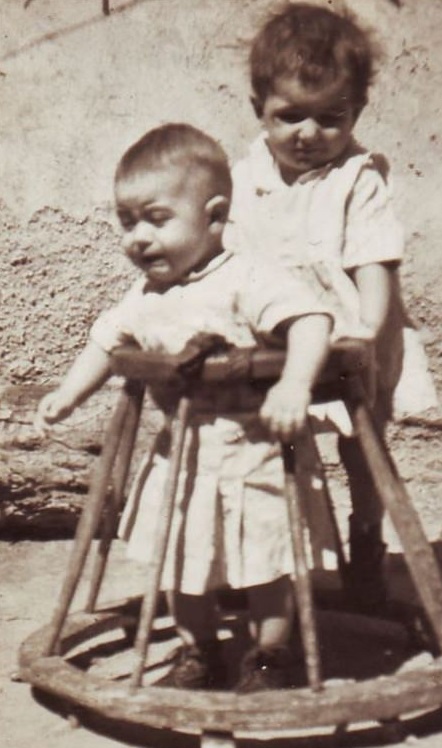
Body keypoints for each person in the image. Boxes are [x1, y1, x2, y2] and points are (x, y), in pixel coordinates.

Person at [35, 123, 334, 693]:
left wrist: (295, 384)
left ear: (215, 216)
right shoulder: (145, 297)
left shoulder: (247, 278)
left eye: (156, 218)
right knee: (183, 566)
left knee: (268, 564)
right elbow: (106, 339)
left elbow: (312, 319)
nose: (138, 238)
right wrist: (70, 394)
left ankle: (270, 655)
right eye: (127, 222)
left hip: (257, 452)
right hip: (184, 460)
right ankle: (199, 653)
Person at [224, 1, 438, 614]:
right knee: (272, 445)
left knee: (361, 447)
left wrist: (369, 329)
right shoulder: (244, 177)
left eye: (330, 118)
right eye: (290, 117)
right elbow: (228, 253)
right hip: (275, 337)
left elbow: (375, 260)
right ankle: (265, 565)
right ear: (258, 111)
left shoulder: (358, 178)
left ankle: (366, 544)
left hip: (348, 328)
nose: (308, 134)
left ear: (357, 113)